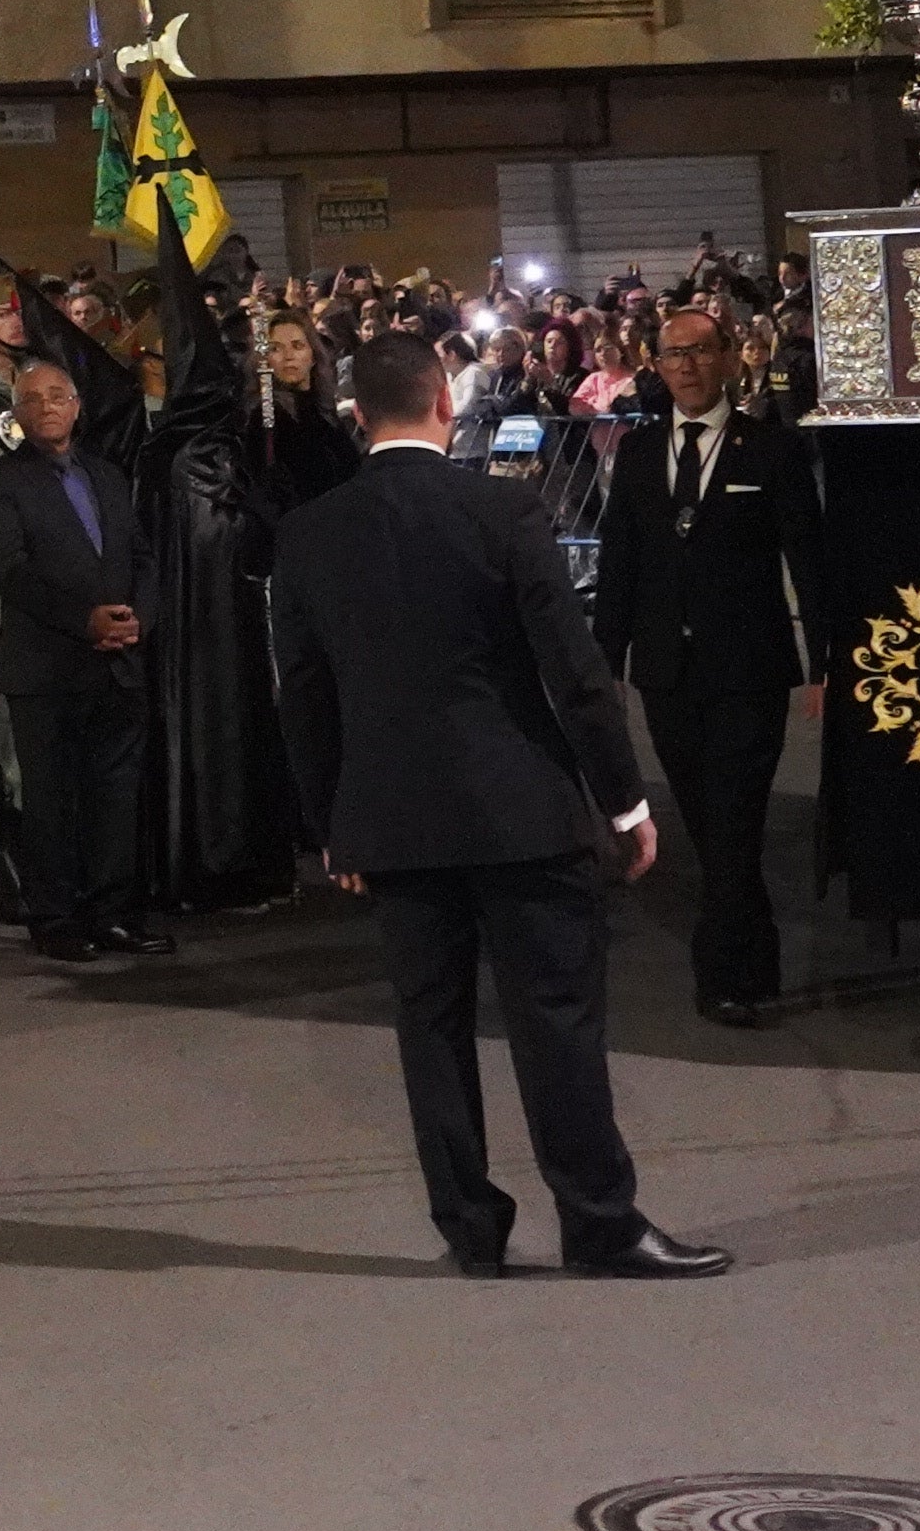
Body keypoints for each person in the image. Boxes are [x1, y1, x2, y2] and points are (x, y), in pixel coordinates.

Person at [273, 333, 726, 1282]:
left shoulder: (310, 533)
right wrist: (625, 801)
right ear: (447, 402)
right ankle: (599, 1224)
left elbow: (304, 698)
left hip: (390, 822)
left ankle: (470, 1229)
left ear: (358, 416)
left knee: (429, 1029)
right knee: (555, 1020)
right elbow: (577, 672)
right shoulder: (503, 510)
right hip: (520, 809)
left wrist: (333, 828)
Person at [588, 297, 821, 1029]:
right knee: (707, 824)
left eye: (700, 351)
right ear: (657, 366)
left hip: (748, 669)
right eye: (673, 353)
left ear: (727, 359)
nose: (687, 365)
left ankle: (727, 977)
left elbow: (809, 562)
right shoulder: (635, 451)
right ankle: (752, 964)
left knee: (736, 823)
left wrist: (826, 664)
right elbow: (620, 564)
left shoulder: (772, 450)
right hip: (666, 671)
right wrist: (606, 661)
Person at [0, 331, 155, 960]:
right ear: (14, 414)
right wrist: (83, 620)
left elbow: (141, 555)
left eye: (59, 396)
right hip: (46, 668)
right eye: (33, 398)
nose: (47, 406)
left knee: (116, 800)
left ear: (77, 407)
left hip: (120, 661)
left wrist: (139, 617)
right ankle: (57, 917)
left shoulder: (109, 475)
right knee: (53, 802)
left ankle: (113, 911)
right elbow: (7, 571)